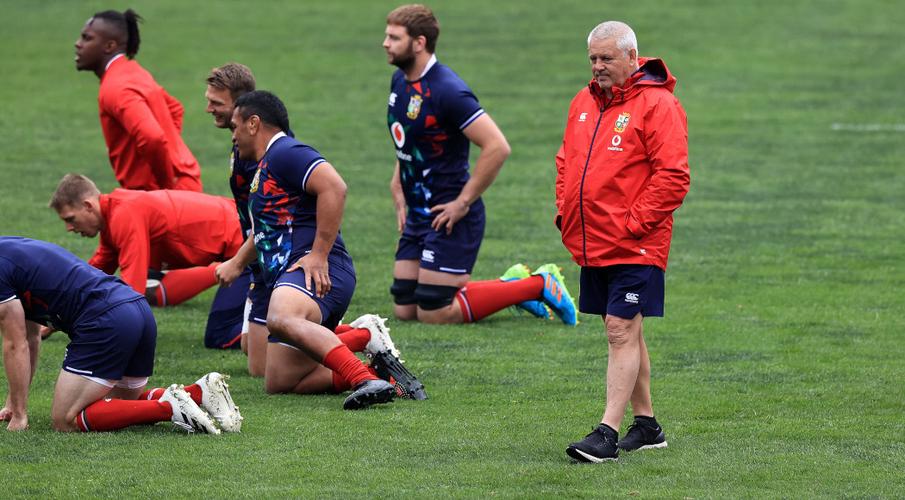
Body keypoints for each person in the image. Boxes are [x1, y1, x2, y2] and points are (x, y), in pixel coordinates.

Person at [217, 90, 424, 408]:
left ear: (254, 123)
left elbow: (334, 186)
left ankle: (364, 379)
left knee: (281, 317)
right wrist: (237, 262)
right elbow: (265, 231)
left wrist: (319, 254)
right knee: (280, 381)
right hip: (297, 276)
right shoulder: (266, 165)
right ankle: (386, 376)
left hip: (315, 270)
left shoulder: (286, 151)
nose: (233, 135)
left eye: (235, 126)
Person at [383, 4, 577, 326]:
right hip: (419, 211)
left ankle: (537, 285)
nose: (385, 43)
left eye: (394, 37)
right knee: (405, 309)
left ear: (419, 43)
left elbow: (497, 147)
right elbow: (410, 140)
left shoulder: (447, 90)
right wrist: (397, 182)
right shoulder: (400, 83)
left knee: (434, 312)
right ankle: (512, 282)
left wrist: (462, 202)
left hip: (449, 213)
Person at [557, 21, 690, 462]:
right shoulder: (583, 102)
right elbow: (566, 162)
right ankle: (648, 426)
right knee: (625, 331)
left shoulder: (658, 104)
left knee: (620, 329)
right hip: (593, 240)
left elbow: (673, 176)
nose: (597, 66)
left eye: (606, 58)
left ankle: (606, 434)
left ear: (633, 58)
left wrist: (634, 224)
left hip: (637, 243)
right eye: (593, 58)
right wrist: (565, 211)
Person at [0, 236, 240, 433]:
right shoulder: (11, 253)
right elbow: (30, 338)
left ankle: (169, 407)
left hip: (106, 320)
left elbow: (15, 344)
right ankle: (198, 393)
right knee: (116, 405)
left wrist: (20, 416)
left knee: (66, 419)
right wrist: (13, 403)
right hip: (136, 309)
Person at [49, 174, 250, 349]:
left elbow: (132, 291)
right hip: (237, 237)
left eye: (70, 219)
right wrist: (53, 320)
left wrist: (107, 339)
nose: (69, 228)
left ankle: (272, 336)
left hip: (245, 249)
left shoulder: (123, 215)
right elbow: (92, 276)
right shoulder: (113, 215)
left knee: (220, 335)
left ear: (88, 206)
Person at [74, 9, 202, 192]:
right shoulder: (132, 71)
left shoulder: (115, 87)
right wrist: (172, 152)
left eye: (87, 38)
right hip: (183, 183)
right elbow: (175, 108)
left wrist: (165, 186)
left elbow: (153, 138)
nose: (78, 44)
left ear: (109, 46)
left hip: (163, 194)